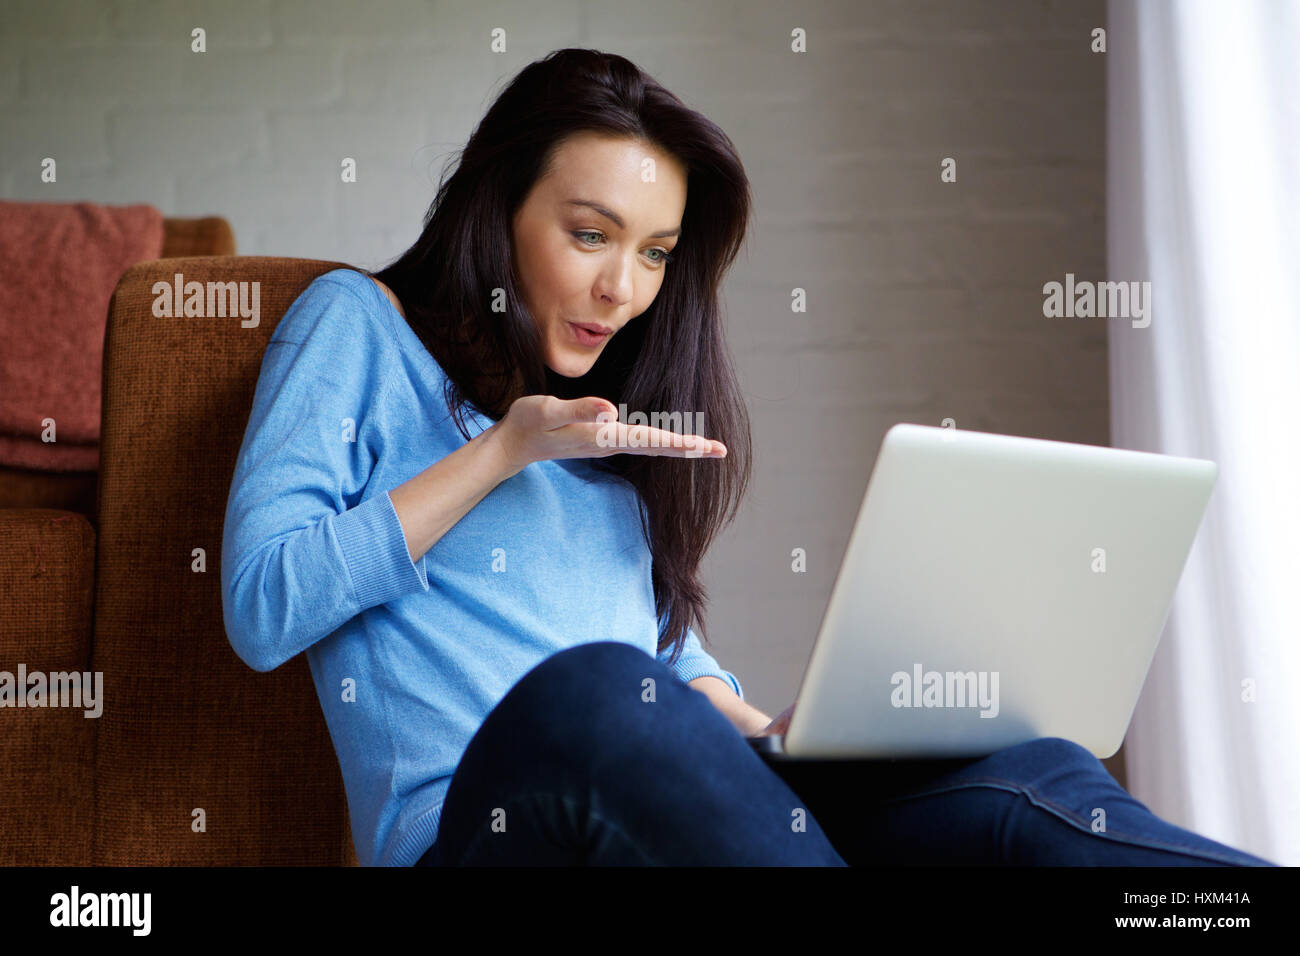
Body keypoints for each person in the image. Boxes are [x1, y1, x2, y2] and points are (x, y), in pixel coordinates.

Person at [221, 48, 1276, 867]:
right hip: (485, 829)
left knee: (1020, 769)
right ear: (498, 210)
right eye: (591, 234)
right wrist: (503, 450)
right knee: (595, 694)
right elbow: (264, 605)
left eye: (653, 254)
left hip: (647, 793)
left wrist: (776, 724)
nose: (621, 290)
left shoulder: (611, 426)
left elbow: (671, 672)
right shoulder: (357, 325)